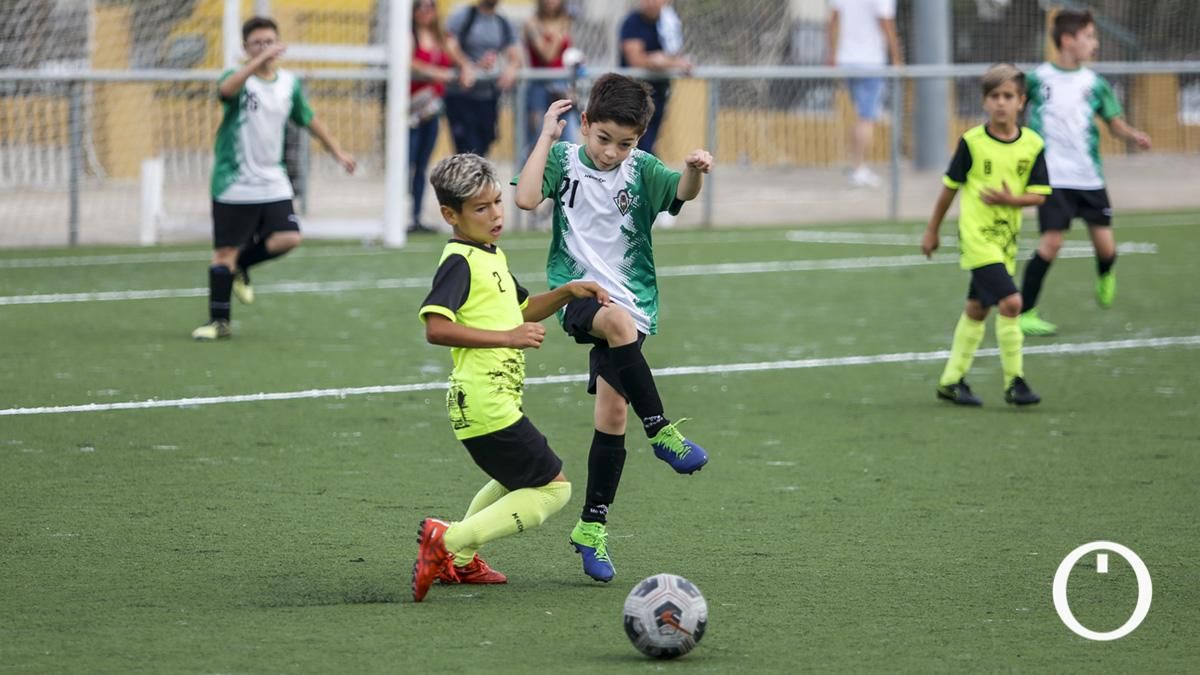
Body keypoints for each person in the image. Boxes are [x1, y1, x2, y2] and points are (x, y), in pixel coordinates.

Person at [513, 74, 713, 583]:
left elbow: (681, 193)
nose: (610, 152)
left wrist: (694, 171)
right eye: (602, 139)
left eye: (625, 143)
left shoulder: (642, 170)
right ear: (584, 126)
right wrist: (544, 137)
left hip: (634, 299)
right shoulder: (563, 159)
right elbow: (525, 199)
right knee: (617, 323)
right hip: (578, 294)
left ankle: (591, 527)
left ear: (639, 140)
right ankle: (663, 431)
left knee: (613, 410)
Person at [411, 153, 610, 602]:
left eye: (497, 202)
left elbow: (521, 309)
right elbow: (435, 327)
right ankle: (449, 542)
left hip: (489, 400)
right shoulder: (459, 260)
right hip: (483, 400)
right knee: (553, 490)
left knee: (517, 479)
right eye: (481, 208)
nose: (496, 214)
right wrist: (508, 337)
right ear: (450, 215)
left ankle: (458, 562)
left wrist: (565, 292)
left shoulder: (489, 255)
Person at [192, 16, 356, 341]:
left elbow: (308, 118)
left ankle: (241, 265)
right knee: (223, 253)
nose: (264, 48)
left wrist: (337, 152)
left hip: (272, 179)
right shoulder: (238, 79)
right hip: (234, 182)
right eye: (257, 43)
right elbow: (225, 90)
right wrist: (255, 64)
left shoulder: (288, 83)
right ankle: (219, 322)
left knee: (289, 237)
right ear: (245, 48)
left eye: (270, 42)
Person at [1017, 8, 1152, 337]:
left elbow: (1113, 121)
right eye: (1089, 37)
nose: (1095, 43)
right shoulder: (1038, 79)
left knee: (1106, 248)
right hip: (1052, 177)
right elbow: (1012, 105)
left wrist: (1132, 134)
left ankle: (1105, 274)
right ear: (1067, 41)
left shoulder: (1094, 83)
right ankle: (1026, 312)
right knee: (1050, 244)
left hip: (1088, 177)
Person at [921, 63, 1050, 407]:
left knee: (978, 309)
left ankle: (950, 381)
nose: (1000, 103)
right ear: (984, 102)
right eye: (993, 96)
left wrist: (1012, 200)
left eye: (1008, 96)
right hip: (977, 237)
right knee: (1012, 302)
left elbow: (1040, 194)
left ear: (1021, 101)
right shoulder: (972, 143)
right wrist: (932, 229)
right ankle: (1015, 382)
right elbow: (949, 189)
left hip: (1006, 241)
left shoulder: (1033, 145)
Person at [407, 0, 474, 234]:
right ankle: (403, 213)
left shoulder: (443, 38)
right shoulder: (409, 37)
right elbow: (410, 63)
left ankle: (415, 215)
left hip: (432, 112)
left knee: (422, 164)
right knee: (407, 162)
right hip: (410, 112)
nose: (425, 12)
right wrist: (438, 74)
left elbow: (460, 58)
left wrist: (466, 69)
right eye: (420, 7)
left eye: (429, 7)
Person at [825, 0, 903, 188]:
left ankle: (855, 164)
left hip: (847, 61)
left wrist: (832, 55)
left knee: (860, 116)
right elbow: (886, 22)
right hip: (871, 63)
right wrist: (896, 57)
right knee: (866, 118)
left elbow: (832, 21)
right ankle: (859, 168)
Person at [443, 0, 521, 157]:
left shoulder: (503, 23)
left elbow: (515, 54)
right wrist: (466, 65)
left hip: (488, 97)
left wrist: (512, 69)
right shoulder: (465, 16)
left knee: (482, 151)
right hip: (462, 96)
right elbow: (449, 43)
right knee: (465, 153)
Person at [619, 0, 692, 154]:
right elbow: (635, 60)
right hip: (633, 97)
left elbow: (676, 57)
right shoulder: (632, 22)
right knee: (635, 146)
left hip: (657, 94)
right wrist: (660, 61)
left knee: (649, 144)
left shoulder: (668, 22)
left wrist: (663, 61)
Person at [522, 0, 578, 157]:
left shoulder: (565, 21)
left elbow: (565, 56)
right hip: (538, 86)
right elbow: (547, 55)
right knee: (536, 140)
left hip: (561, 86)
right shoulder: (532, 23)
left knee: (569, 139)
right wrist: (560, 31)